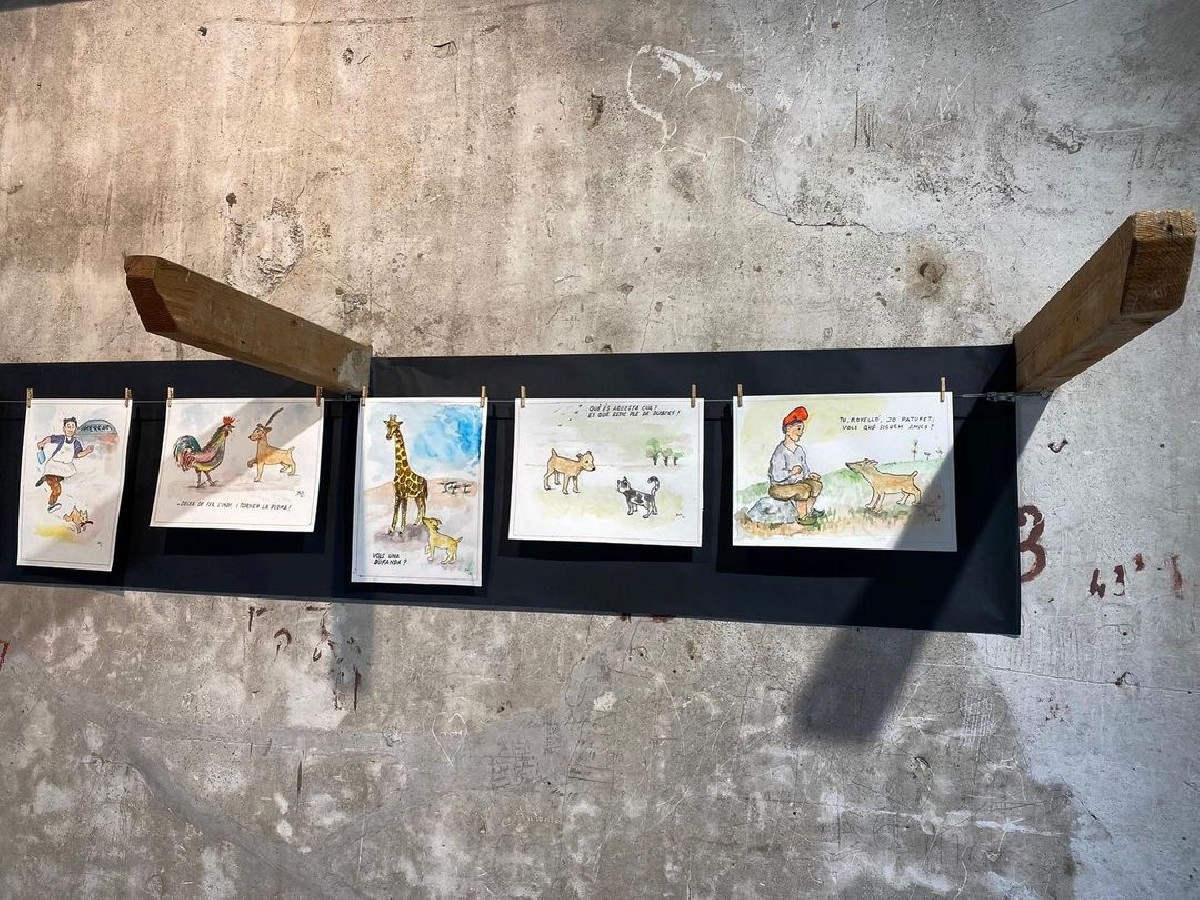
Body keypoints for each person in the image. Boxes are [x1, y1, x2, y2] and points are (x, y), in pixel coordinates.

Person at [767, 406, 825, 526]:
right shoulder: (780, 451)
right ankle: (801, 517)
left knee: (816, 485)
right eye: (798, 429)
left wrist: (810, 475)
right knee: (803, 489)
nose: (801, 432)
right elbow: (776, 476)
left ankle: (808, 511)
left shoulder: (799, 450)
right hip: (780, 486)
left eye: (802, 429)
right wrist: (791, 472)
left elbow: (805, 469)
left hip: (795, 483)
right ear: (788, 429)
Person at [35, 416, 93, 512]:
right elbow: (51, 438)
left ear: (75, 429)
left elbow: (78, 455)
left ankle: (44, 478)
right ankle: (51, 505)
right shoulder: (61, 438)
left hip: (64, 468)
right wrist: (43, 442)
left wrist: (86, 451)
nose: (70, 429)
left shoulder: (77, 443)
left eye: (72, 426)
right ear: (64, 428)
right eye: (68, 426)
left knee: (58, 480)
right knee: (57, 488)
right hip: (54, 466)